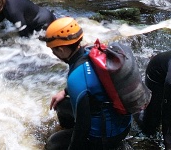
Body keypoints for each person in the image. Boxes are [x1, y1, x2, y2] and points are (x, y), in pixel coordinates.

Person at [44, 17, 132, 150]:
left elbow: (83, 127)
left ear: (61, 50)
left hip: (104, 138)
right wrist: (65, 92)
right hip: (125, 125)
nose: (53, 54)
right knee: (61, 104)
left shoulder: (76, 78)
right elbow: (92, 82)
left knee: (53, 143)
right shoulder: (92, 51)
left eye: (54, 50)